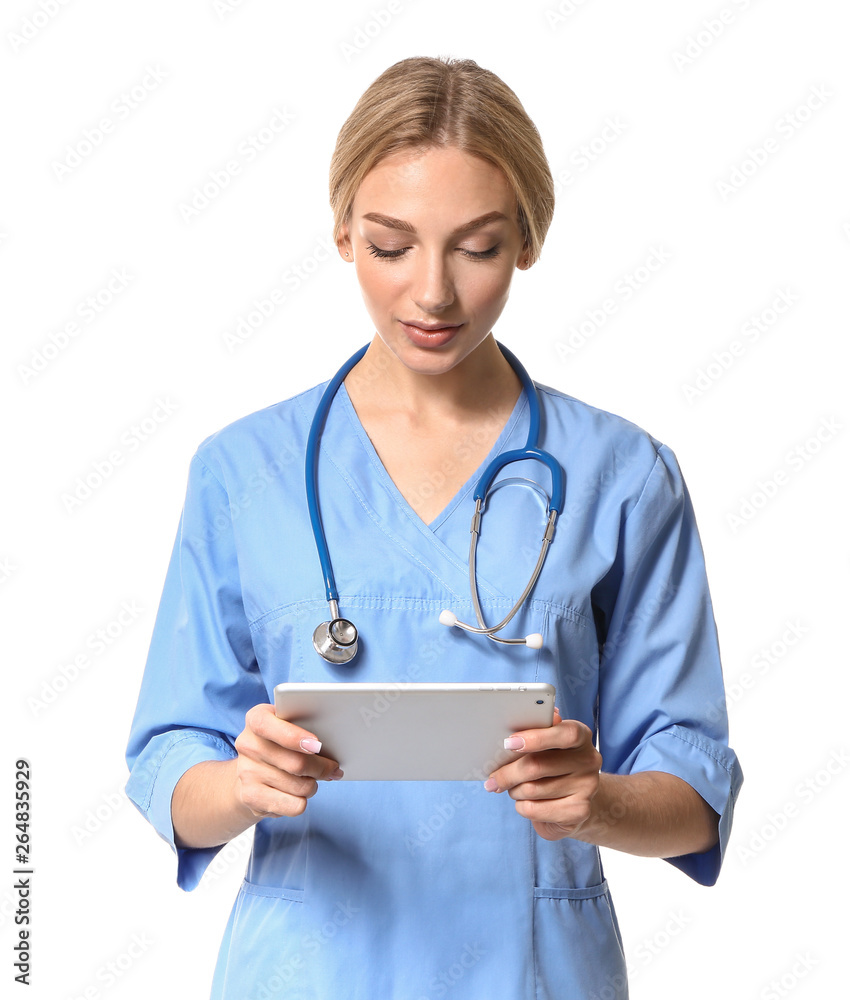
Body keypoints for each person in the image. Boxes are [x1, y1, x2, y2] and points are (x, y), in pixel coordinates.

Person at [125, 55, 743, 999]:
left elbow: (694, 791)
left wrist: (599, 803)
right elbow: (172, 763)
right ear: (343, 233)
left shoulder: (623, 475)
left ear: (528, 240)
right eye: (390, 246)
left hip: (533, 972)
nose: (433, 293)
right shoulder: (244, 471)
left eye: (478, 248)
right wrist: (243, 786)